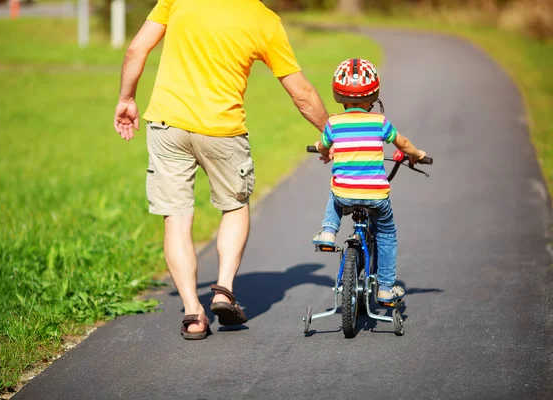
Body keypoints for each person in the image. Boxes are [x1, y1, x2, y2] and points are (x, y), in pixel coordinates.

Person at [114, 0, 328, 339]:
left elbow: (135, 50)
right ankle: (223, 290)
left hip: (168, 126)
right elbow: (300, 92)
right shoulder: (264, 20)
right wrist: (331, 133)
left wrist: (127, 98)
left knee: (177, 216)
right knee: (234, 205)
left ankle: (192, 314)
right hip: (222, 131)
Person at [312, 58, 426, 303]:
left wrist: (320, 149)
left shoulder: (333, 123)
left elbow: (323, 145)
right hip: (376, 196)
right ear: (374, 96)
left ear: (338, 95)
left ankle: (329, 232)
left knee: (335, 192)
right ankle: (385, 288)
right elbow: (403, 144)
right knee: (386, 233)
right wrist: (417, 155)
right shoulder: (380, 122)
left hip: (345, 194)